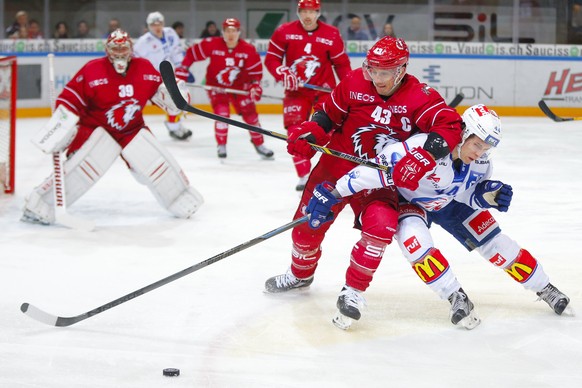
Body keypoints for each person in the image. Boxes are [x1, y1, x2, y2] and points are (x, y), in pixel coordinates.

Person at [310, 104, 571, 329]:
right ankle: (455, 296)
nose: (480, 153)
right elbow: (372, 173)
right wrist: (335, 192)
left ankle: (545, 288)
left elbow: (466, 193)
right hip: (410, 201)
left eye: (486, 147)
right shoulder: (422, 147)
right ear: (463, 133)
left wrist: (485, 195)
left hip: (450, 204)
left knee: (496, 243)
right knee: (417, 246)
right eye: (477, 144)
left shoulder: (481, 163)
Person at [264, 36, 464, 330]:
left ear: (401, 69)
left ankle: (354, 292)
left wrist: (423, 157)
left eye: (384, 72)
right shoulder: (355, 81)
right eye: (372, 69)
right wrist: (311, 132)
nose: (377, 78)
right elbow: (327, 115)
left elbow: (449, 126)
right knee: (306, 227)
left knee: (381, 227)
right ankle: (300, 274)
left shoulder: (420, 95)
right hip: (335, 168)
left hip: (379, 178)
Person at [21, 29, 203, 226]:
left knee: (154, 164)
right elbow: (70, 100)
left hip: (131, 130)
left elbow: (163, 94)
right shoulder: (92, 69)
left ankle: (180, 197)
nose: (119, 53)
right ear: (107, 50)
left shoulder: (144, 67)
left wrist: (177, 96)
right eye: (114, 48)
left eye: (123, 48)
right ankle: (40, 205)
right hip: (95, 129)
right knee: (78, 171)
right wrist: (60, 126)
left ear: (131, 49)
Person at [264, 0, 351, 191]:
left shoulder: (331, 33)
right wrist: (281, 72)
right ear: (298, 12)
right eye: (303, 11)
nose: (307, 16)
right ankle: (303, 175)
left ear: (319, 12)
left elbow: (342, 64)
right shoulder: (283, 31)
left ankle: (326, 171)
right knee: (295, 130)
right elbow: (272, 59)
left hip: (324, 91)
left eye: (312, 11)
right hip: (296, 92)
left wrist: (348, 88)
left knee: (325, 132)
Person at [176, 18, 274, 160]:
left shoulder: (248, 49)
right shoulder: (213, 44)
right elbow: (192, 54)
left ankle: (259, 144)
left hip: (240, 87)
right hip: (217, 87)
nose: (230, 34)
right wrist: (183, 69)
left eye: (233, 31)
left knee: (251, 116)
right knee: (222, 114)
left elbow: (255, 73)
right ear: (222, 32)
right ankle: (221, 145)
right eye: (227, 31)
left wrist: (255, 85)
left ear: (239, 32)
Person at [134, 11, 192, 141]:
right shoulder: (144, 42)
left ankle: (175, 126)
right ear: (149, 26)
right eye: (153, 24)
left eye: (159, 23)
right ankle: (133, 128)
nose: (157, 26)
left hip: (172, 75)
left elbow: (176, 50)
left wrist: (182, 67)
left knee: (177, 100)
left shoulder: (171, 33)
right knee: (156, 101)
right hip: (154, 78)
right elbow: (135, 60)